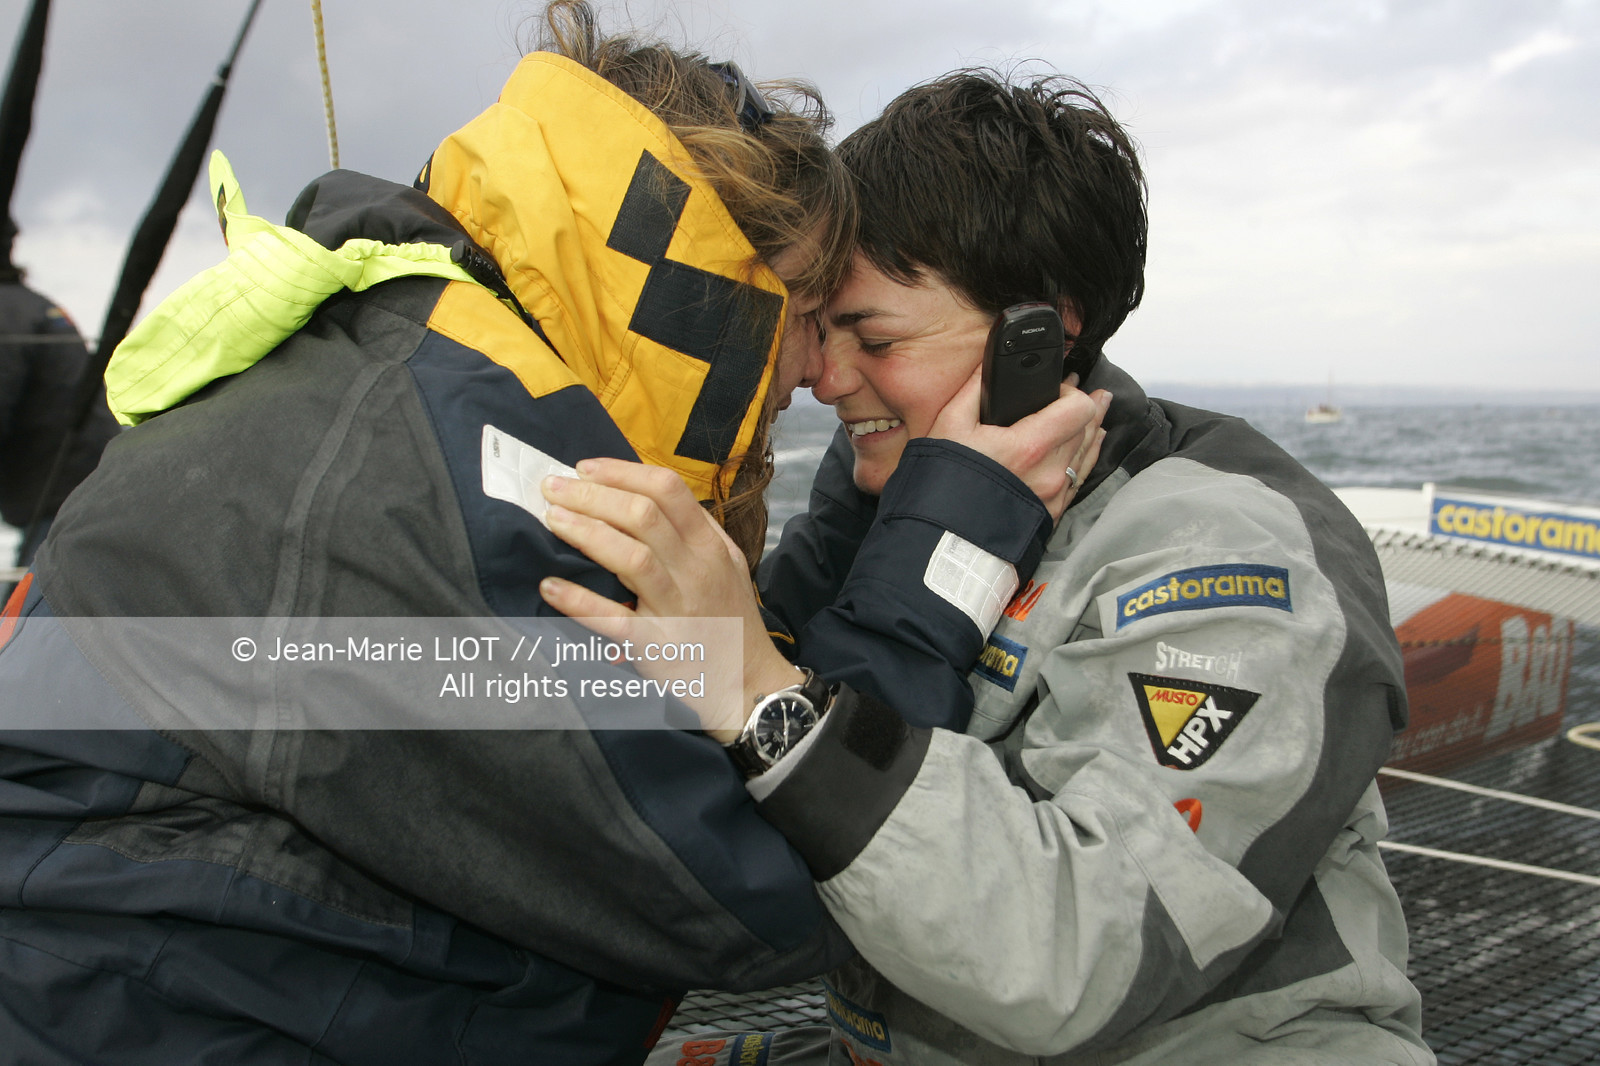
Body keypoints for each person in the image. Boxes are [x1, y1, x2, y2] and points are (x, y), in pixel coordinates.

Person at [0, 4, 861, 1063]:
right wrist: (953, 517)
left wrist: (852, 511)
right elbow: (755, 892)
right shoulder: (457, 480)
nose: (819, 372)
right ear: (708, 274)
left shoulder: (422, 377)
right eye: (810, 316)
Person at [539, 70, 1434, 1065]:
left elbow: (1073, 952)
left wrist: (764, 702)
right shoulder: (882, 501)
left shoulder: (1220, 548)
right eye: (820, 330)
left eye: (874, 337)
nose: (824, 380)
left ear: (1039, 331)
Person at [0, 228, 120, 574]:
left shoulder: (7, 313)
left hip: (63, 504)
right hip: (86, 491)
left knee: (25, 619)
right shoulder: (28, 305)